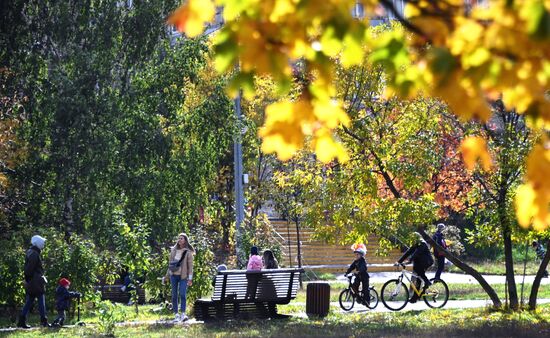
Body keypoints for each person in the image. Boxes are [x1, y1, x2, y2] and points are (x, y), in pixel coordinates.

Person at [18, 235, 50, 328]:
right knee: (41, 299)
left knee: (30, 301)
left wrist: (27, 279)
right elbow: (29, 268)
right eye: (42, 242)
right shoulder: (34, 253)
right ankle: (44, 321)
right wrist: (28, 279)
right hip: (36, 281)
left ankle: (22, 321)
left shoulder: (31, 252)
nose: (43, 244)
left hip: (32, 280)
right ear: (37, 243)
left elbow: (28, 269)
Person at [163, 233, 194, 322]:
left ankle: (183, 314)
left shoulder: (188, 252)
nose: (179, 240)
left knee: (182, 294)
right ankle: (176, 314)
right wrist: (167, 276)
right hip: (173, 275)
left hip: (183, 276)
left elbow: (190, 267)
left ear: (185, 241)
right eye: (179, 238)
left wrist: (190, 278)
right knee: (174, 295)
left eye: (182, 238)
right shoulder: (173, 250)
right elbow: (170, 265)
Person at [396, 232, 434, 303]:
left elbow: (417, 253)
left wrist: (409, 261)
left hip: (426, 262)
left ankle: (427, 282)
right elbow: (409, 252)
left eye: (413, 238)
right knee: (418, 279)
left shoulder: (422, 243)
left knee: (420, 274)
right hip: (419, 263)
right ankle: (415, 297)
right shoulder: (416, 243)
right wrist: (399, 261)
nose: (412, 240)